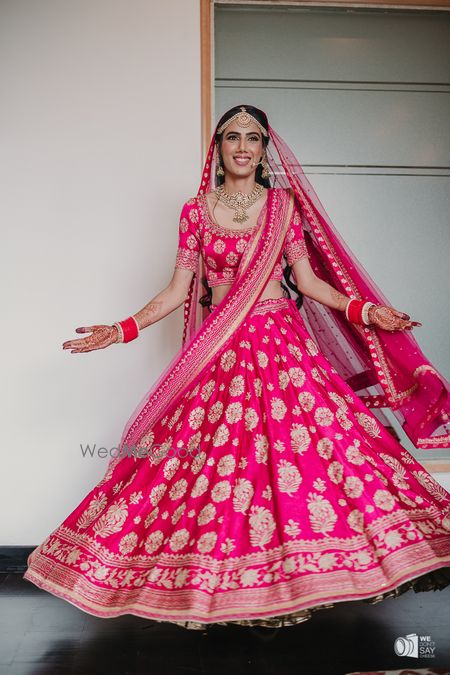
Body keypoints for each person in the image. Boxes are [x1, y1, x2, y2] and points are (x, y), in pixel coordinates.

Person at [24, 105, 450, 631]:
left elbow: (308, 283)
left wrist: (367, 310)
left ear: (264, 148)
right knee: (216, 464)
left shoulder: (282, 206)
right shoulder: (196, 212)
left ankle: (307, 577)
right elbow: (179, 292)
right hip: (220, 348)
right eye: (232, 137)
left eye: (253, 137)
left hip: (280, 344)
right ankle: (221, 588)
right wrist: (121, 329)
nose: (243, 146)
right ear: (218, 148)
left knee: (312, 452)